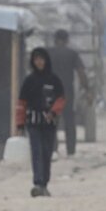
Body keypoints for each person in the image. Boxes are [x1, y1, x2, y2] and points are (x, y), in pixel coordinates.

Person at [16, 47, 65, 197]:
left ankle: (44, 184)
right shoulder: (29, 81)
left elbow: (61, 99)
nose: (39, 62)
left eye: (41, 59)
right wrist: (20, 123)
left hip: (49, 123)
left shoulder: (54, 80)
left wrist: (53, 112)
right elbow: (22, 103)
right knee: (36, 151)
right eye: (36, 59)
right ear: (33, 61)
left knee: (46, 152)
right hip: (33, 122)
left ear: (46, 60)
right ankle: (37, 183)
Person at [47, 29, 89, 157]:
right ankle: (71, 151)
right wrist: (86, 88)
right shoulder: (72, 54)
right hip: (67, 92)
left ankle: (53, 150)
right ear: (67, 40)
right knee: (69, 121)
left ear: (55, 40)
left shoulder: (47, 53)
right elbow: (81, 73)